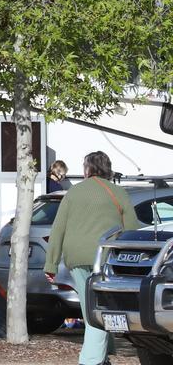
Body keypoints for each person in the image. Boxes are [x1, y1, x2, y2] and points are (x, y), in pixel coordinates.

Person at [45, 152, 138, 365]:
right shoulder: (118, 191)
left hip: (75, 256)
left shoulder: (73, 192)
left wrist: (51, 264)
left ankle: (104, 356)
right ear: (108, 168)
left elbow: (58, 228)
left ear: (87, 169)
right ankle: (90, 361)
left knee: (91, 307)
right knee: (100, 310)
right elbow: (132, 228)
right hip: (105, 257)